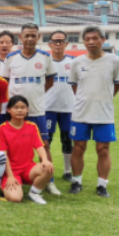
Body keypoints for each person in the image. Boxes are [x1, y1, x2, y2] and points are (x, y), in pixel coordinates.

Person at [0, 23, 59, 196]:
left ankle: (49, 181)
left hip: (37, 110)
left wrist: (35, 95)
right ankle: (5, 177)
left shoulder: (45, 57)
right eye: (27, 35)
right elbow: (4, 82)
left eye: (34, 35)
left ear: (38, 37)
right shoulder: (11, 57)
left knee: (44, 145)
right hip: (13, 111)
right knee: (7, 145)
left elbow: (49, 82)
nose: (30, 38)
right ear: (21, 37)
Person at [68, 26, 119, 197]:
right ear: (84, 42)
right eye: (87, 39)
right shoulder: (77, 62)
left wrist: (104, 99)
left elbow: (117, 84)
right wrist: (85, 99)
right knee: (78, 148)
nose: (91, 42)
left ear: (103, 40)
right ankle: (76, 182)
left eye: (95, 38)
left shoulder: (114, 60)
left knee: (103, 150)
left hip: (104, 114)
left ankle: (102, 185)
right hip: (80, 113)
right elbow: (75, 86)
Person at [0, 96, 54, 205]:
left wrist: (45, 160)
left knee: (48, 168)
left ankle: (34, 193)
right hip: (11, 170)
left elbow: (39, 146)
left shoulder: (32, 126)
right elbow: (3, 155)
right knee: (16, 198)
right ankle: (2, 183)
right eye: (16, 107)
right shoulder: (2, 128)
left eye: (23, 107)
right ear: (8, 110)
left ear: (27, 110)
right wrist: (10, 176)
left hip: (28, 168)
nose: (19, 110)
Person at [44, 30, 75, 181]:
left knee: (67, 140)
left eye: (61, 41)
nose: (58, 44)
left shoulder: (74, 62)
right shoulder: (44, 61)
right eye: (55, 41)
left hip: (68, 108)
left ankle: (67, 171)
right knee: (46, 141)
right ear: (49, 44)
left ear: (66, 43)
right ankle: (46, 171)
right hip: (47, 108)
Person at [0, 30, 15, 125]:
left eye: (7, 42)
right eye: (1, 42)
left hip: (14, 107)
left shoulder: (18, 60)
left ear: (12, 44)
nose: (4, 45)